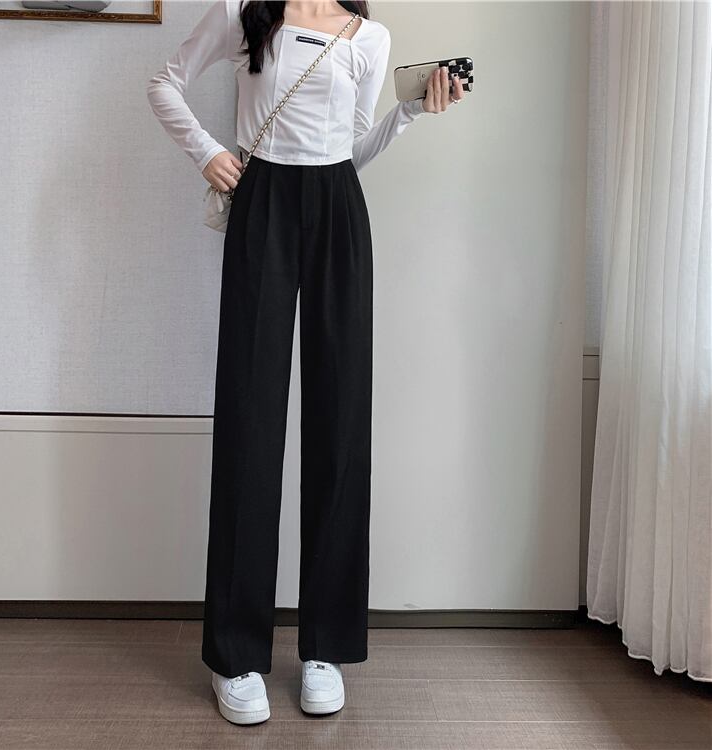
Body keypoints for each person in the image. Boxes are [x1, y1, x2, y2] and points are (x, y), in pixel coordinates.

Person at [146, 0, 465, 726]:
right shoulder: (246, 11)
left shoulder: (369, 36)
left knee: (340, 421)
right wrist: (207, 151)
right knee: (251, 421)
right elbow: (163, 82)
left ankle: (326, 647)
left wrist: (411, 111)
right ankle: (236, 655)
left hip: (338, 206)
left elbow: (351, 147)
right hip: (262, 200)